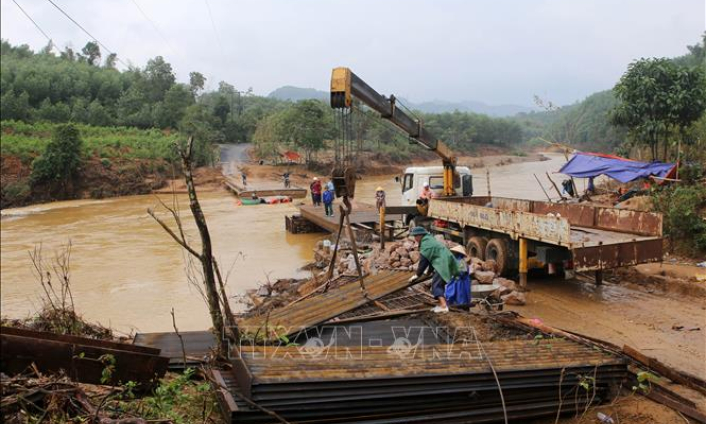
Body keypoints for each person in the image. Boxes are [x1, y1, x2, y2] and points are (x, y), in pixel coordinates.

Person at [408, 226, 458, 313]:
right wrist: (428, 272)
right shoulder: (429, 240)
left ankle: (443, 306)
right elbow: (432, 258)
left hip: (443, 264)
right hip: (445, 261)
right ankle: (443, 303)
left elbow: (424, 262)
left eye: (416, 236)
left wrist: (417, 275)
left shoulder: (426, 244)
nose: (415, 238)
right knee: (439, 283)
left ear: (420, 235)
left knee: (436, 285)